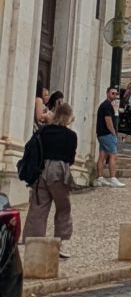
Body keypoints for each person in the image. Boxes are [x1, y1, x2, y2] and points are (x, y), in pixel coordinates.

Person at [22, 101, 78, 258]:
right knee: (63, 208)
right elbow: (70, 158)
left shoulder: (43, 132)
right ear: (68, 117)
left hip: (41, 172)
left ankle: (34, 245)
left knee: (38, 208)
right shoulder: (71, 136)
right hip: (59, 172)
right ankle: (59, 243)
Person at [95, 86, 125, 187]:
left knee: (102, 156)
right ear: (107, 93)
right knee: (113, 155)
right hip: (107, 134)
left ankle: (100, 178)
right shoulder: (107, 105)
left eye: (116, 94)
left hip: (101, 134)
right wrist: (113, 133)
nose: (114, 95)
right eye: (112, 93)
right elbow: (108, 121)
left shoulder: (105, 105)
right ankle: (113, 178)